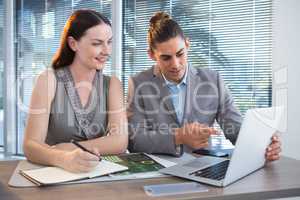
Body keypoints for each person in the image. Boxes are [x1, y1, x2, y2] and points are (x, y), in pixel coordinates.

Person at [127, 11, 281, 162]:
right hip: (157, 171)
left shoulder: (213, 81)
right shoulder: (139, 83)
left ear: (187, 45)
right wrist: (178, 136)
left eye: (180, 54)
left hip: (200, 167)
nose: (175, 64)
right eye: (166, 58)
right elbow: (135, 141)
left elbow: (235, 128)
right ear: (152, 55)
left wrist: (262, 145)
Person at [23, 9, 128, 173]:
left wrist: (70, 147)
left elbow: (120, 141)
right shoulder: (48, 80)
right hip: (53, 175)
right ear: (73, 44)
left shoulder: (113, 84)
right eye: (97, 43)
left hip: (96, 175)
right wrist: (63, 158)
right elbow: (31, 145)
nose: (107, 51)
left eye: (109, 42)